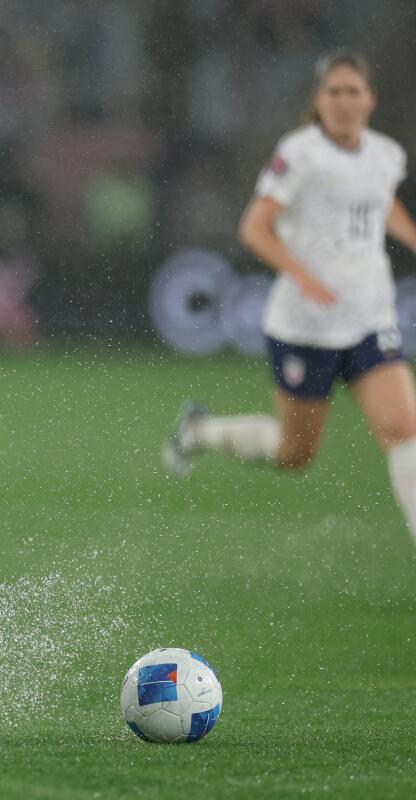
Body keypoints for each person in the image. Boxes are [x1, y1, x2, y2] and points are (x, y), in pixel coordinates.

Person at [164, 49, 416, 547]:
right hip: (306, 324)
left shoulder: (385, 154)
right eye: (334, 92)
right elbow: (254, 228)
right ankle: (201, 432)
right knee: (294, 453)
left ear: (370, 98)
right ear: (318, 100)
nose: (344, 102)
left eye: (353, 91)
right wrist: (299, 274)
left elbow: (380, 200)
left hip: (368, 314)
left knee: (405, 428)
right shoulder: (299, 154)